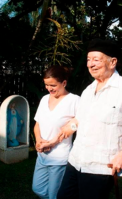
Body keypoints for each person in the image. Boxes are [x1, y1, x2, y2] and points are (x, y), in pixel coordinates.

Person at [57, 38, 122, 199]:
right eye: (88, 60)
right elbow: (80, 119)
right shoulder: (88, 90)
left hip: (101, 166)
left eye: (96, 60)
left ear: (112, 62)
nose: (90, 64)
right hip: (76, 161)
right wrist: (68, 128)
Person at [32, 65, 80, 199]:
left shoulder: (74, 100)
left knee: (54, 195)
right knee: (38, 188)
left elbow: (79, 123)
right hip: (42, 155)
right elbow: (37, 124)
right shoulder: (44, 100)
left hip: (60, 157)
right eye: (46, 85)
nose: (49, 88)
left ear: (64, 83)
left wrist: (53, 143)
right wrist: (38, 140)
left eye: (52, 85)